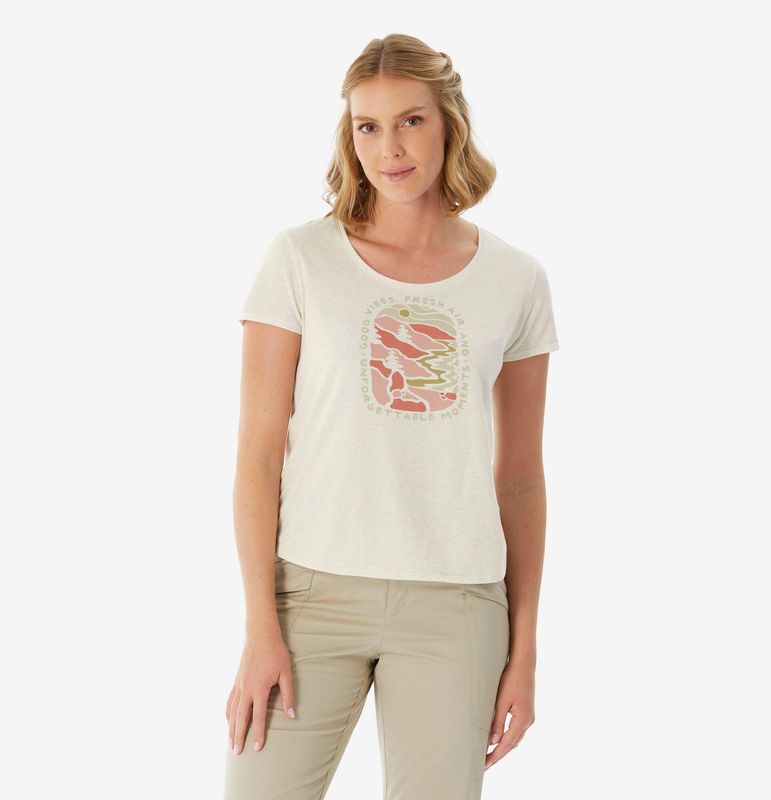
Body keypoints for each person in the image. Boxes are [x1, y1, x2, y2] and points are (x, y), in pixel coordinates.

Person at [223, 33, 560, 800]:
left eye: (411, 121)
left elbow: (520, 479)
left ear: (449, 125)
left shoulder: (516, 280)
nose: (390, 148)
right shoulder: (300, 260)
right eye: (367, 126)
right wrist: (259, 628)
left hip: (457, 607)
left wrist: (525, 651)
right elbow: (258, 458)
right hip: (310, 597)